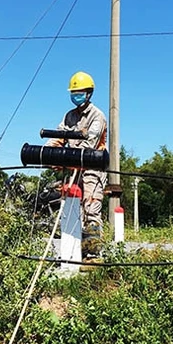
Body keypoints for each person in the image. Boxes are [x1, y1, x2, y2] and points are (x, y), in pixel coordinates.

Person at [44, 71, 107, 259]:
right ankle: (75, 252)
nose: (75, 95)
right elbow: (59, 136)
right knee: (73, 211)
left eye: (79, 92)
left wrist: (64, 158)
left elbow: (89, 145)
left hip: (91, 169)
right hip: (72, 169)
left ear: (89, 93)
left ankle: (93, 254)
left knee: (90, 209)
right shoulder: (69, 116)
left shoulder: (98, 116)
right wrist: (48, 154)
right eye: (73, 92)